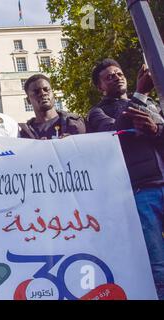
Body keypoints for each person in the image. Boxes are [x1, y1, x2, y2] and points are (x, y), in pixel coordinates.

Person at [88, 58, 164, 299]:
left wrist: (156, 130)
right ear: (100, 87)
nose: (117, 77)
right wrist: (140, 94)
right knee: (158, 262)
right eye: (109, 76)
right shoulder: (97, 112)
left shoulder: (154, 105)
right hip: (141, 192)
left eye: (119, 73)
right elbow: (113, 135)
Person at [19, 74, 86, 139]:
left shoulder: (76, 122)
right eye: (36, 92)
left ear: (53, 94)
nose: (43, 93)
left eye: (46, 89)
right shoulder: (23, 134)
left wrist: (73, 140)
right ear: (28, 100)